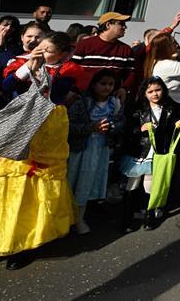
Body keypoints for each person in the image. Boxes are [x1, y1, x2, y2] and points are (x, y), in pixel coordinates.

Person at [0, 32, 80, 270]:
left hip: (47, 129)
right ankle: (4, 237)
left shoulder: (70, 69)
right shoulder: (24, 62)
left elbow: (53, 94)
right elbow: (7, 85)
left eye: (47, 50)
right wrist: (29, 66)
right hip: (17, 126)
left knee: (34, 185)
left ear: (62, 53)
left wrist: (35, 71)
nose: (40, 51)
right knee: (8, 183)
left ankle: (27, 243)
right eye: (39, 47)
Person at [119, 77, 180, 232]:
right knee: (132, 183)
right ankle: (126, 218)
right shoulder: (137, 109)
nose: (155, 94)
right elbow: (128, 130)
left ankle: (149, 215)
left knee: (150, 183)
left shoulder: (171, 108)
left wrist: (179, 123)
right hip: (139, 151)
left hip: (158, 151)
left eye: (158, 90)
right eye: (150, 91)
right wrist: (141, 129)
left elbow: (176, 125)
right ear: (144, 93)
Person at [66, 69, 124, 234]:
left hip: (100, 149)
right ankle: (67, 218)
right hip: (81, 149)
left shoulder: (115, 103)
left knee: (88, 182)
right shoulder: (82, 102)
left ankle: (79, 219)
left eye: (110, 84)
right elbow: (69, 126)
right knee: (73, 181)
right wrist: (91, 127)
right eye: (103, 83)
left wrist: (110, 127)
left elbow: (120, 123)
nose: (107, 87)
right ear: (94, 84)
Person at [71, 12, 136, 102]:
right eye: (121, 24)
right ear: (108, 25)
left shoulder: (126, 49)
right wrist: (72, 90)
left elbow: (131, 73)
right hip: (83, 97)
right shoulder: (85, 44)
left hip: (112, 100)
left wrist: (124, 88)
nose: (125, 27)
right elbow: (71, 68)